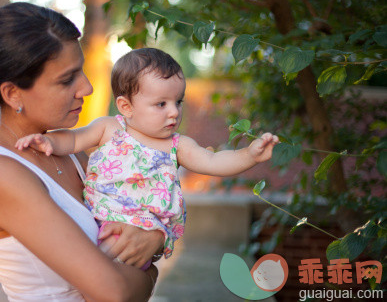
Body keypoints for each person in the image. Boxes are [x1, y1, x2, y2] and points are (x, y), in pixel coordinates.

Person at [0, 2, 163, 302]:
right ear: (12, 93)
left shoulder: (68, 152)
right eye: (66, 79)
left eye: (80, 70)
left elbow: (137, 224)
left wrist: (154, 238)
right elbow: (115, 292)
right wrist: (150, 273)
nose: (87, 88)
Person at [15, 48, 279, 266]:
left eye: (179, 101)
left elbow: (214, 162)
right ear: (126, 107)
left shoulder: (177, 145)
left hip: (143, 236)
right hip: (101, 221)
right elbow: (73, 139)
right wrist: (47, 140)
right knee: (91, 268)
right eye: (161, 104)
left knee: (112, 273)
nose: (174, 112)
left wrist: (249, 154)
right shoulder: (109, 128)